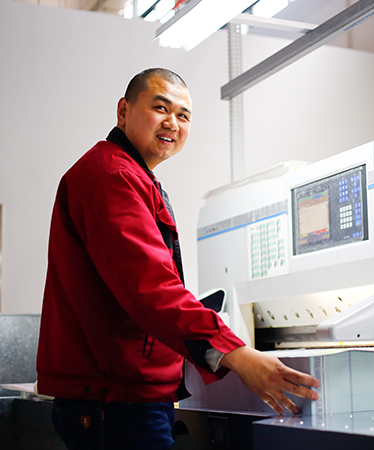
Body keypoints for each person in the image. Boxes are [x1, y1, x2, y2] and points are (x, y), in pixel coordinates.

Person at [36, 68, 320, 450]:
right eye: (160, 108)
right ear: (123, 111)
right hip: (116, 400)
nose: (173, 122)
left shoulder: (132, 176)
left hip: (123, 395)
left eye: (183, 115)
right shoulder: (112, 177)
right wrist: (238, 355)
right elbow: (151, 289)